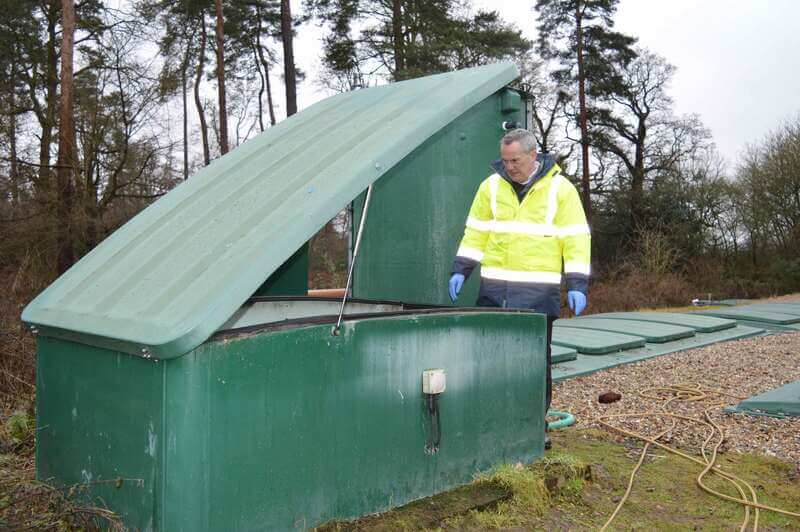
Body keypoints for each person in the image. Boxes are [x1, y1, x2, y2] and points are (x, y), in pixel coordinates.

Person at [447, 128, 590, 450]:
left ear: (533, 155)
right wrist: (461, 270)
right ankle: (490, 425)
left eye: (515, 160)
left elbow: (577, 239)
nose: (509, 166)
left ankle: (532, 428)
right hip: (494, 291)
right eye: (505, 160)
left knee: (534, 364)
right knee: (487, 359)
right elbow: (476, 233)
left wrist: (578, 283)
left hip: (537, 294)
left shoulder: (561, 190)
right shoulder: (490, 187)